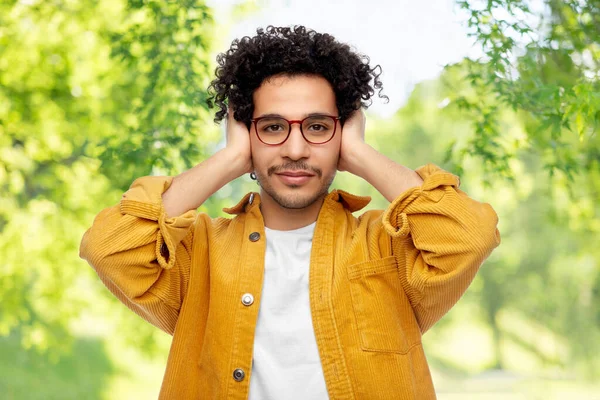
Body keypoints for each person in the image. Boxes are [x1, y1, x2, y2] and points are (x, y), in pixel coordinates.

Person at [80, 25, 501, 400]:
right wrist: (230, 159)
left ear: (344, 130)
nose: (296, 150)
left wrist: (357, 153)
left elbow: (468, 235)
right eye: (273, 127)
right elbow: (110, 247)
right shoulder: (199, 254)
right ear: (247, 132)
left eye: (318, 127)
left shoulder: (387, 247)